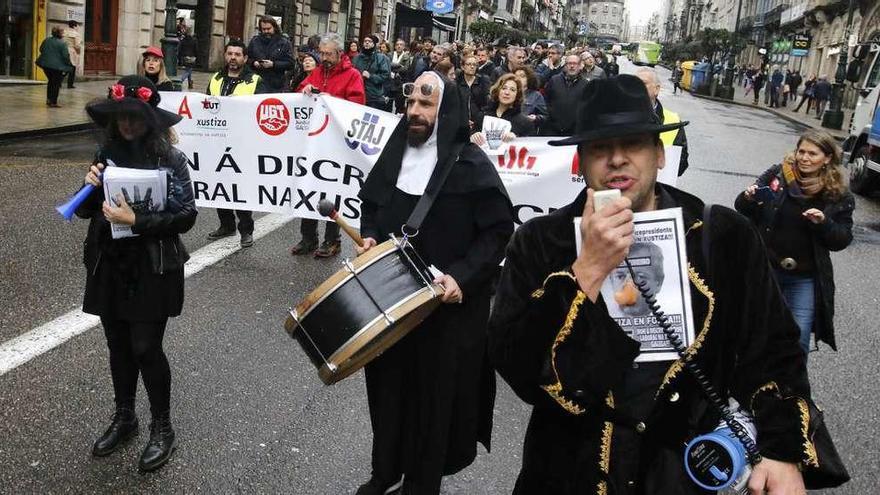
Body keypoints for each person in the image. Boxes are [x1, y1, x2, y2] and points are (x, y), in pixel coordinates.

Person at [487, 74, 848, 494]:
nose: (617, 159)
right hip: (570, 472)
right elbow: (516, 364)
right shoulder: (541, 240)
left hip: (679, 473)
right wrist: (586, 271)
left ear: (658, 154)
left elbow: (772, 349)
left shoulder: (723, 235)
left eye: (634, 144)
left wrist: (781, 450)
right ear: (580, 162)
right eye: (600, 149)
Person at [354, 70, 514, 495]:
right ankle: (384, 470)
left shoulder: (469, 163)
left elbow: (498, 230)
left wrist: (463, 276)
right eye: (411, 104)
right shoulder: (395, 150)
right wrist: (369, 234)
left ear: (445, 112)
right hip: (390, 299)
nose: (415, 113)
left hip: (444, 310)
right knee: (386, 389)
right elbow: (372, 204)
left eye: (426, 105)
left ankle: (420, 485)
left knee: (431, 401)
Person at [78, 75, 196, 472]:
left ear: (150, 120)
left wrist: (138, 218)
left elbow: (185, 216)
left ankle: (162, 427)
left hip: (151, 264)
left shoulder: (170, 159)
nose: (127, 124)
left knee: (145, 347)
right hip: (109, 261)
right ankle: (125, 417)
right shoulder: (106, 151)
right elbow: (82, 210)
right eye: (121, 117)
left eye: (135, 117)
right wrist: (90, 185)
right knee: (117, 343)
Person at [735, 129, 854, 357]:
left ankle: (791, 390)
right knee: (755, 333)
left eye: (813, 153)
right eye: (801, 151)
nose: (805, 158)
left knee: (797, 341)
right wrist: (748, 197)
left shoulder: (838, 193)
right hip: (766, 270)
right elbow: (742, 207)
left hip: (804, 278)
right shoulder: (778, 175)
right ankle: (754, 386)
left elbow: (841, 239)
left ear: (827, 158)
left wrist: (823, 222)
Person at [295, 32, 366, 257]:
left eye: (328, 54)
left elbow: (358, 105)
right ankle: (308, 238)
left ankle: (332, 240)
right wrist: (304, 89)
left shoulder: (352, 75)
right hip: (315, 142)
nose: (324, 57)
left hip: (338, 143)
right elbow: (299, 95)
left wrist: (332, 100)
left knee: (333, 192)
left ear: (339, 53)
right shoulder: (316, 72)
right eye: (321, 53)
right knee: (309, 187)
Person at [205, 39, 266, 247]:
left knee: (240, 189)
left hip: (243, 143)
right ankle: (226, 224)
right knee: (219, 185)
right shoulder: (215, 78)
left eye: (237, 54)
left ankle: (246, 229)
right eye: (230, 53)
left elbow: (261, 110)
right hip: (217, 141)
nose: (233, 58)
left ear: (245, 58)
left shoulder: (255, 80)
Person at [636, 68, 689, 175]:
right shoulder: (615, 118)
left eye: (643, 84)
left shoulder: (672, 121)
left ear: (657, 89)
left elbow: (680, 166)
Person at [470, 73, 536, 146]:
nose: (507, 92)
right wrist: (473, 136)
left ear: (517, 95)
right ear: (498, 91)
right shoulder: (482, 116)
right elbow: (469, 143)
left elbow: (530, 148)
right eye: (504, 88)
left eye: (512, 90)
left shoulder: (525, 123)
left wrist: (517, 139)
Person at [246, 15, 295, 92]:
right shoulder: (254, 41)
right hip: (257, 84)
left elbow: (291, 64)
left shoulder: (284, 42)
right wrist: (254, 63)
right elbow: (246, 59)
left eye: (268, 29)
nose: (266, 31)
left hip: (276, 86)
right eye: (263, 29)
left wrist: (273, 64)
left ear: (274, 27)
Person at [543, 54, 588, 137]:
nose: (572, 66)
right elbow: (545, 100)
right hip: (552, 129)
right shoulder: (554, 80)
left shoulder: (585, 84)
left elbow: (586, 107)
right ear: (565, 65)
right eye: (569, 63)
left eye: (575, 63)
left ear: (580, 66)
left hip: (574, 131)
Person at [35, 27, 74, 108]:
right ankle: (53, 102)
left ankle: (48, 99)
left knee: (51, 82)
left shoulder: (46, 40)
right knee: (56, 84)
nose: (63, 34)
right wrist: (69, 64)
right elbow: (65, 56)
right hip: (57, 67)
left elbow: (41, 49)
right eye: (62, 32)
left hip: (46, 65)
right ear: (59, 34)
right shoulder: (62, 43)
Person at [353, 34, 392, 111]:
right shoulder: (357, 58)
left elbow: (385, 75)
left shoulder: (381, 58)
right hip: (358, 93)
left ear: (374, 44)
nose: (367, 43)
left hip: (374, 96)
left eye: (369, 41)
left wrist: (370, 76)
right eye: (365, 41)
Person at [456, 55, 491, 130]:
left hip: (479, 123)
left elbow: (487, 104)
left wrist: (478, 120)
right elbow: (454, 105)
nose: (472, 67)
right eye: (469, 64)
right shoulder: (457, 83)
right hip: (460, 123)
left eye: (474, 65)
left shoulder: (483, 82)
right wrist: (463, 120)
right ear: (462, 67)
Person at [514, 66, 547, 132]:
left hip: (527, 132)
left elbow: (546, 116)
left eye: (522, 76)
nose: (518, 79)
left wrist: (536, 118)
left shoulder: (536, 95)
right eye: (516, 76)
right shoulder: (509, 93)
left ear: (529, 79)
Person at [389, 39, 412, 113]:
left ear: (404, 47)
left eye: (401, 45)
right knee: (388, 103)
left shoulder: (407, 56)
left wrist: (393, 67)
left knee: (399, 105)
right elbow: (387, 65)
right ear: (395, 46)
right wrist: (399, 65)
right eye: (397, 45)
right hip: (389, 82)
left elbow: (405, 69)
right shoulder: (390, 54)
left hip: (400, 83)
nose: (399, 46)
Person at [63, 20, 81, 89]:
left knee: (65, 67)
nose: (77, 27)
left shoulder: (64, 32)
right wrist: (78, 52)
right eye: (77, 26)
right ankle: (70, 84)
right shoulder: (76, 34)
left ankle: (59, 82)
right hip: (72, 52)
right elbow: (77, 45)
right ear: (74, 26)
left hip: (64, 50)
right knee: (72, 68)